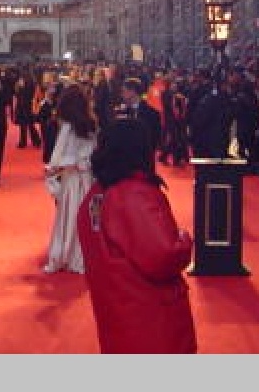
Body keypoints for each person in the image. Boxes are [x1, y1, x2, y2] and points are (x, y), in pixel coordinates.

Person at [78, 117, 197, 353]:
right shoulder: (134, 194)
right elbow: (163, 256)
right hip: (148, 315)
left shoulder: (97, 193)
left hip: (116, 308)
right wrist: (184, 239)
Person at [43, 84, 99, 274]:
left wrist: (53, 170)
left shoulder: (67, 126)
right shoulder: (91, 124)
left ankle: (66, 254)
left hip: (72, 179)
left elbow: (59, 157)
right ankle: (84, 255)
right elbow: (93, 154)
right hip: (88, 179)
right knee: (85, 219)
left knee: (69, 219)